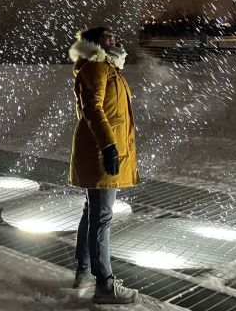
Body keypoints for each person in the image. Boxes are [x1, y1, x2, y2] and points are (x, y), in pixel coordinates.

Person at [69, 26, 140, 305]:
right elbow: (93, 109)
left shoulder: (109, 67)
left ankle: (84, 271)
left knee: (93, 212)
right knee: (101, 217)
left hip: (101, 148)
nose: (112, 38)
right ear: (93, 43)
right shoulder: (97, 65)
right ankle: (105, 285)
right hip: (102, 150)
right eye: (105, 36)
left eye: (113, 35)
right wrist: (110, 145)